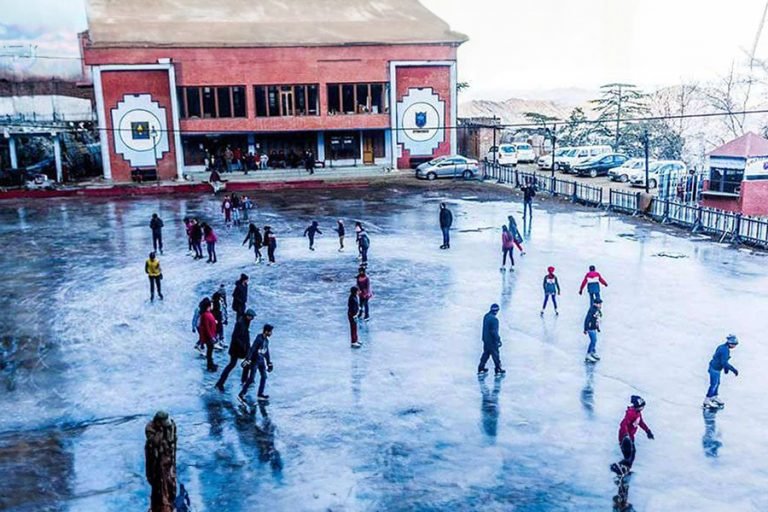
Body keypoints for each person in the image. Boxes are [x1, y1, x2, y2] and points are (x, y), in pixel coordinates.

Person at [610, 395, 654, 476]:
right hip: (625, 439)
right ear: (638, 406)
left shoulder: (638, 413)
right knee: (629, 454)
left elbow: (641, 422)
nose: (643, 408)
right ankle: (617, 467)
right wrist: (626, 435)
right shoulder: (631, 413)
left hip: (630, 437)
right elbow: (623, 424)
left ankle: (625, 469)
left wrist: (648, 431)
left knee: (632, 453)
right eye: (642, 406)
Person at [215, 308, 255, 392]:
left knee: (245, 363)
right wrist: (244, 346)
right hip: (236, 349)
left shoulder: (245, 322)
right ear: (248, 316)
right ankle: (220, 383)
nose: (253, 319)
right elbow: (236, 337)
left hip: (241, 348)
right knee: (232, 365)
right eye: (252, 317)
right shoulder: (241, 323)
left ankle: (244, 379)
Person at [239, 324, 274, 403]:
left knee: (264, 377)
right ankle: (241, 394)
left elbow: (266, 352)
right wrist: (248, 359)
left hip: (261, 361)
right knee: (251, 378)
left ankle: (260, 394)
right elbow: (252, 349)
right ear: (266, 331)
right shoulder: (259, 339)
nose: (271, 333)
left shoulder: (266, 341)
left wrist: (269, 362)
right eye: (270, 331)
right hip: (255, 361)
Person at [703, 335, 740, 408]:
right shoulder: (725, 350)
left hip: (715, 368)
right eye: (734, 344)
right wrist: (733, 370)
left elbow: (722, 360)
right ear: (731, 343)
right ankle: (707, 399)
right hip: (715, 369)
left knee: (717, 383)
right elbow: (724, 362)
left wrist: (725, 369)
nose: (735, 346)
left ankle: (714, 396)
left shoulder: (722, 347)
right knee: (714, 384)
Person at [478, 304, 505, 376]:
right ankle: (498, 368)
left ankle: (481, 367)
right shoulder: (494, 320)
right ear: (497, 311)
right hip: (492, 341)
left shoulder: (486, 316)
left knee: (486, 354)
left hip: (485, 339)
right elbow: (494, 331)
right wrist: (498, 340)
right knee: (496, 355)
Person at [198, 298, 218, 372]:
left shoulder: (207, 314)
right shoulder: (205, 315)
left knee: (210, 351)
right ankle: (210, 365)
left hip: (211, 335)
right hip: (209, 337)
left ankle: (211, 364)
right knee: (210, 352)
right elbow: (206, 327)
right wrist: (211, 337)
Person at [211, 284, 228, 349]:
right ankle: (215, 341)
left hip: (220, 316)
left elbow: (224, 308)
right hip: (216, 316)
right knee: (217, 329)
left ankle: (221, 340)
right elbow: (213, 310)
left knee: (220, 329)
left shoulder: (222, 299)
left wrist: (225, 318)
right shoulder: (215, 300)